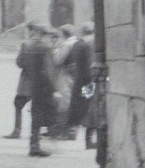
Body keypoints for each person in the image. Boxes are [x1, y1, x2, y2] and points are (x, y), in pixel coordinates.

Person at [16, 23, 60, 157]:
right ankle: (46, 145)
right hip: (45, 87)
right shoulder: (46, 48)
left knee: (36, 116)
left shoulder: (30, 45)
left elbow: (21, 63)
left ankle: (34, 145)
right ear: (44, 35)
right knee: (50, 115)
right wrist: (54, 89)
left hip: (34, 85)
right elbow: (49, 71)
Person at [3, 20, 38, 140]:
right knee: (37, 108)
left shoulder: (26, 44)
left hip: (27, 82)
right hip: (42, 82)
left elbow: (19, 62)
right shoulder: (46, 44)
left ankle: (17, 131)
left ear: (32, 30)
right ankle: (37, 133)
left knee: (18, 104)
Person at [67, 21, 97, 149]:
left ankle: (73, 132)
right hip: (88, 83)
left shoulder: (77, 44)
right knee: (91, 109)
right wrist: (92, 82)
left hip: (79, 81)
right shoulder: (89, 44)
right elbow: (89, 65)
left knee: (79, 109)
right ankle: (88, 140)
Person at [52, 24, 79, 140]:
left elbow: (57, 60)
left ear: (63, 34)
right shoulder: (77, 42)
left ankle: (64, 132)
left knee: (64, 104)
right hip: (76, 76)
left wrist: (55, 50)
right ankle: (72, 131)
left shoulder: (66, 45)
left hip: (66, 76)